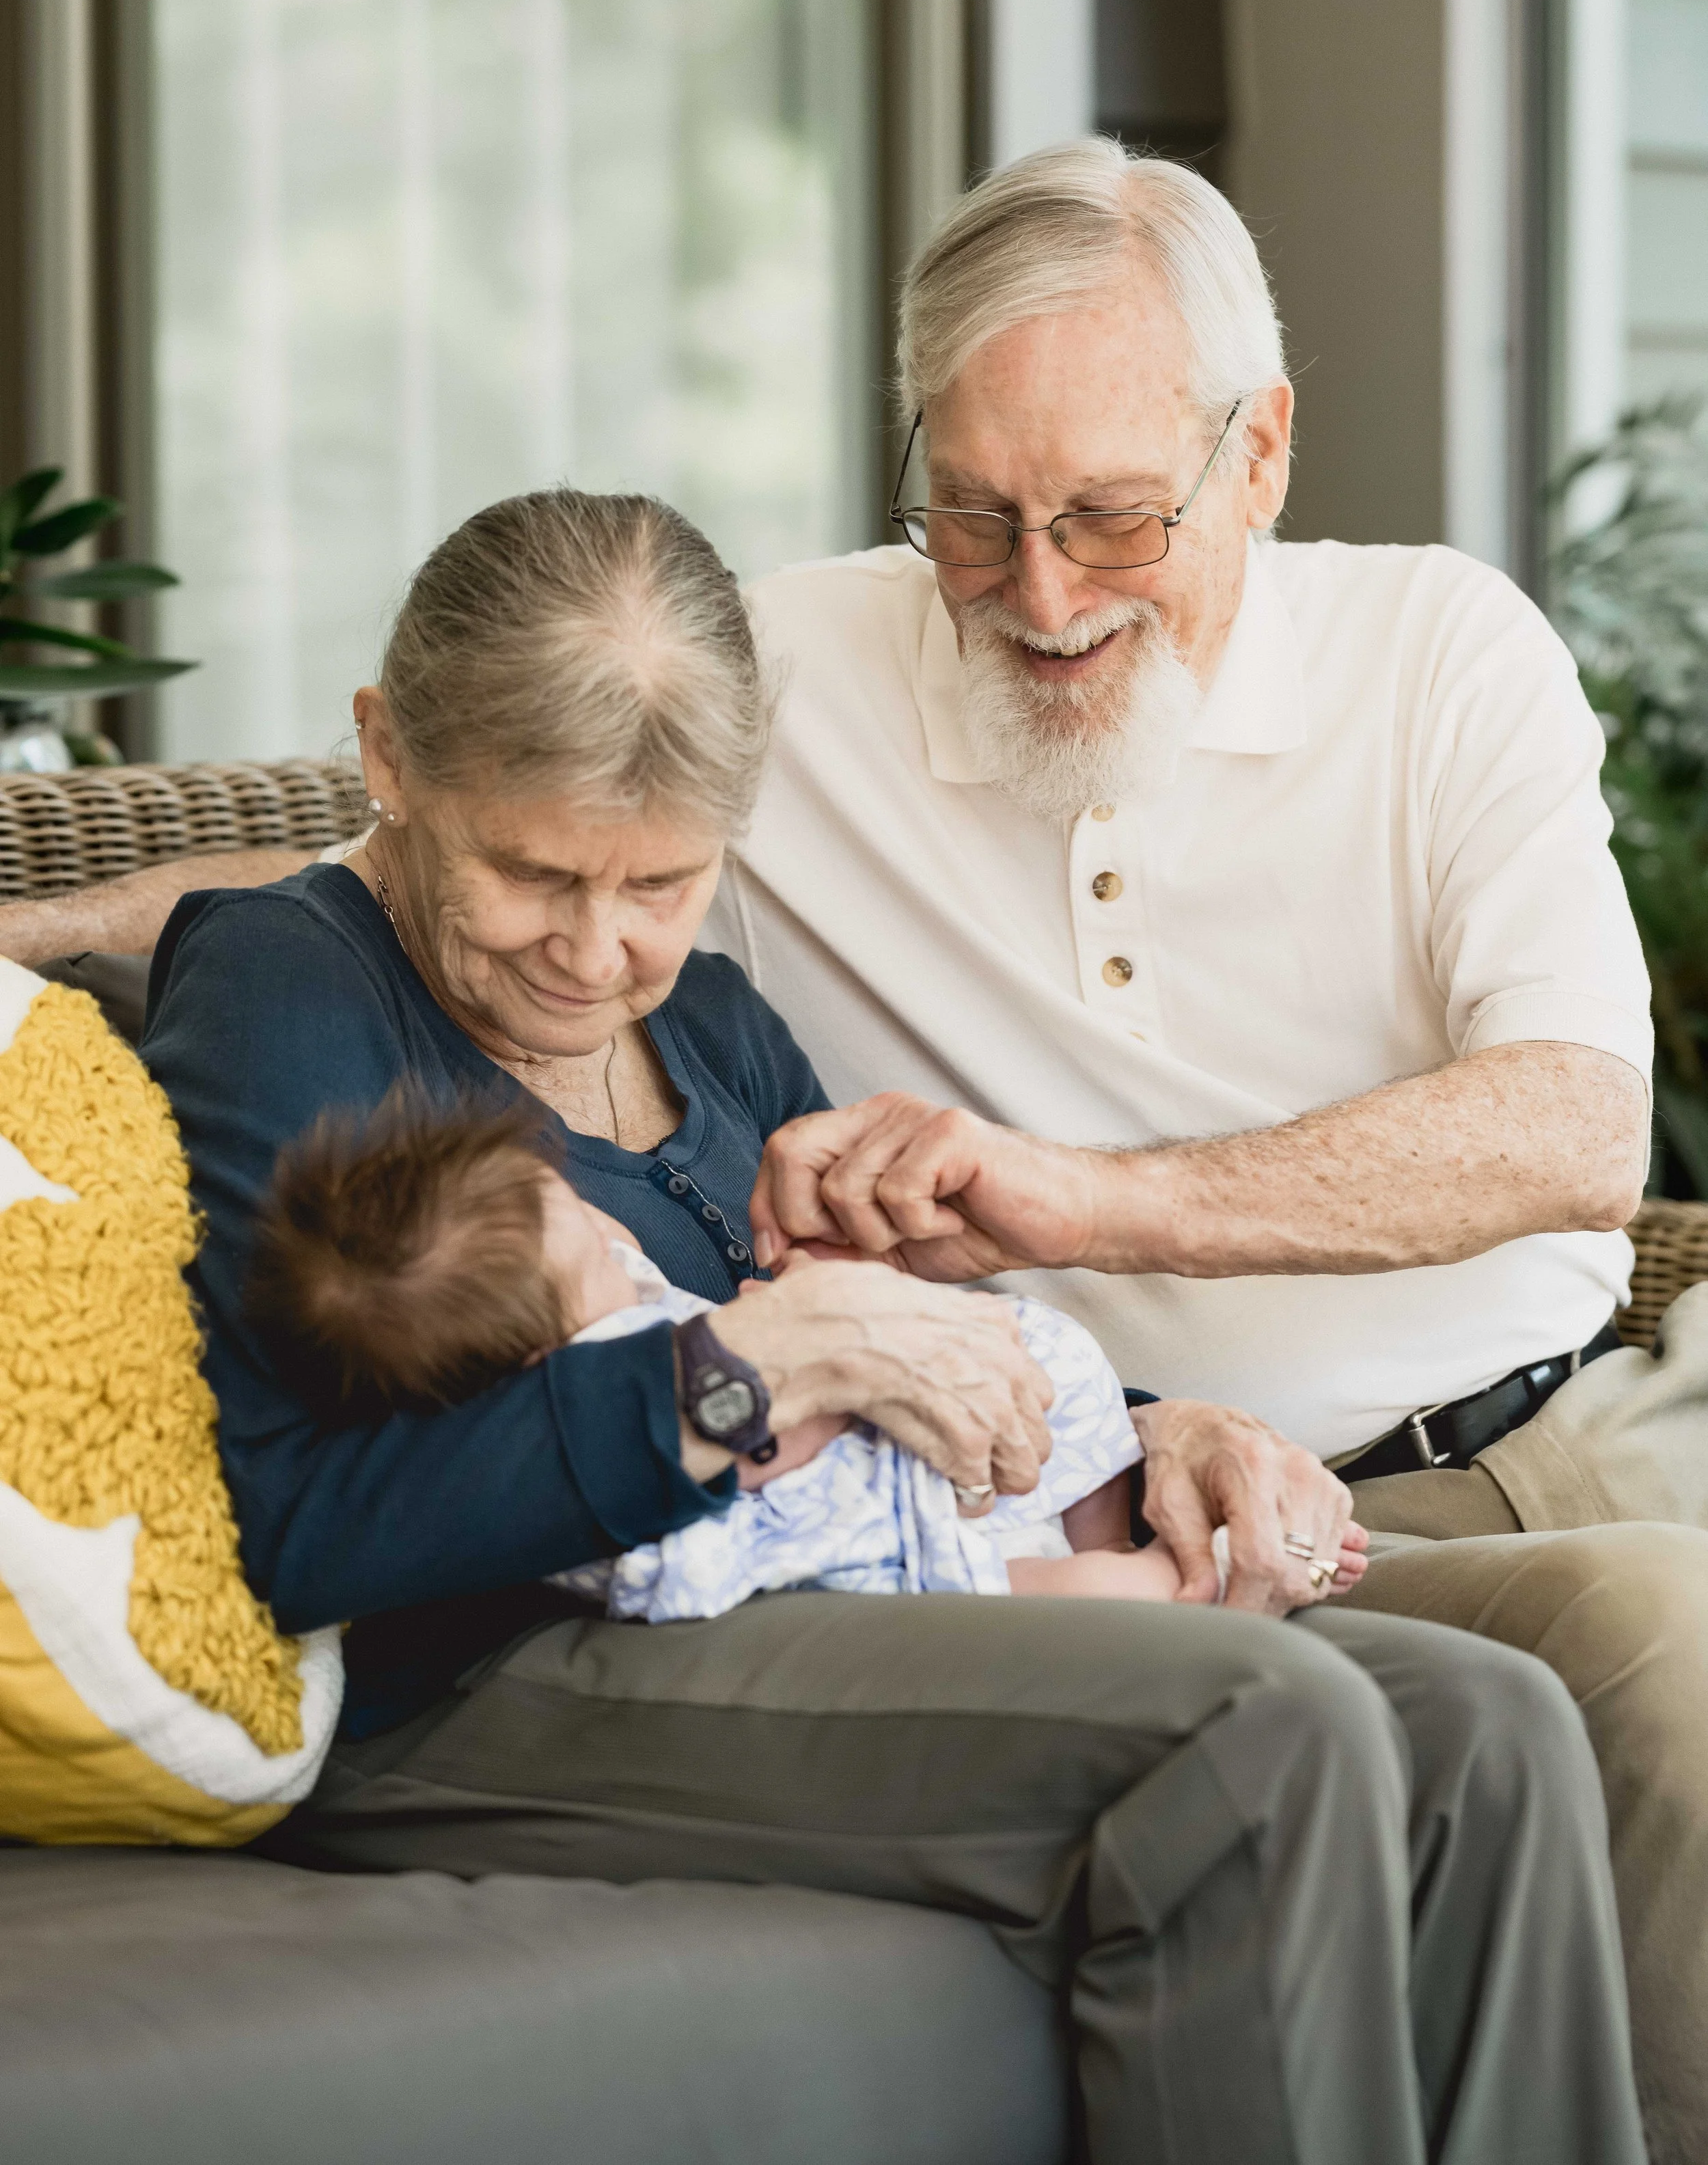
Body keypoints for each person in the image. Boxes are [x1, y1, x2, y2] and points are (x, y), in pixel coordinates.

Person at [64, 483, 1635, 2163]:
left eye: (661, 883)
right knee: (1266, 1728)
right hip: (488, 1666)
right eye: (531, 873)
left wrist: (1165, 1422)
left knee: (1482, 1724)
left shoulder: (721, 1028)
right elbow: (283, 1521)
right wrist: (737, 1378)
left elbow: (908, 1336)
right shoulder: (294, 982)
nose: (595, 954)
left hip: (804, 1587)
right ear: (388, 759)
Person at [708, 137, 1708, 2162]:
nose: (1042, 594)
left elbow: (1578, 1124)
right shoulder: (784, 668)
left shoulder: (1443, 653)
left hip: (1540, 1429)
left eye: (1109, 515)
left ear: (1256, 454)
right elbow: (425, 859)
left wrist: (1087, 1196)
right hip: (1129, 1519)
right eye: (972, 516)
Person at [244, 1083, 1330, 1613]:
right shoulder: (590, 1369)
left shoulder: (709, 1027)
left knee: (1058, 1391)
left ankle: (1156, 1537)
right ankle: (1194, 1587)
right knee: (1085, 1596)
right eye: (584, 1235)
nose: (609, 1225)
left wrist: (832, 1294)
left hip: (962, 1468)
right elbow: (767, 1424)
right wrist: (808, 1352)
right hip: (910, 1565)